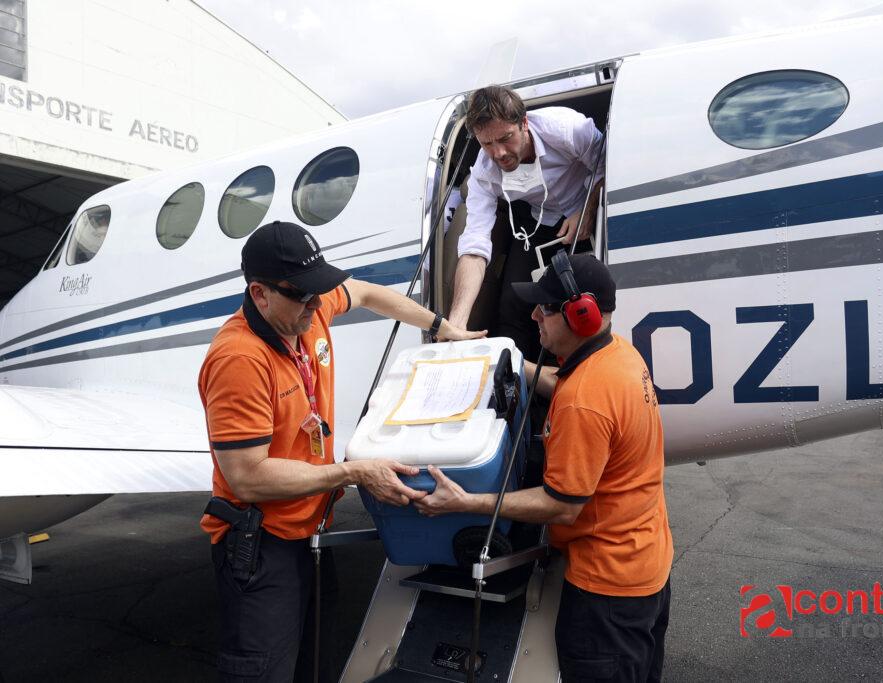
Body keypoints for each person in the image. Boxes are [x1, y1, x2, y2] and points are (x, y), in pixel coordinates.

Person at [198, 220, 483, 682]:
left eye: (319, 291)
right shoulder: (240, 360)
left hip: (309, 530)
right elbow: (247, 477)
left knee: (315, 665)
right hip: (263, 544)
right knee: (264, 670)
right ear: (260, 294)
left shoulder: (305, 309)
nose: (316, 304)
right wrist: (352, 472)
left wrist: (441, 326)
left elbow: (367, 293)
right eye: (303, 295)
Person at [417, 253, 673, 682]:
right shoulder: (619, 355)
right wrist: (508, 358)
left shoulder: (584, 402)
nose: (534, 314)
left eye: (546, 308)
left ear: (582, 315)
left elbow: (561, 505)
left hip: (607, 593)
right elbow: (568, 382)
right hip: (646, 566)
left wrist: (466, 501)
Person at [441, 85, 605, 363]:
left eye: (505, 138)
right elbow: (474, 247)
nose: (499, 153)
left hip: (587, 206)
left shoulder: (567, 129)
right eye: (487, 144)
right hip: (537, 222)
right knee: (513, 303)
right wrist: (456, 322)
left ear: (524, 123)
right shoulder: (484, 172)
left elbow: (605, 164)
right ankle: (517, 379)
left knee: (571, 302)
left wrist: (587, 209)